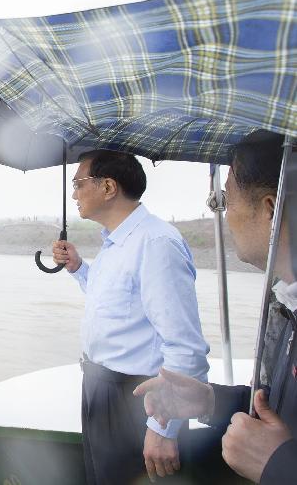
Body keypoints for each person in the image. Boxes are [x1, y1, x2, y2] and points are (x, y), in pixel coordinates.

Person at [133, 133, 296, 484]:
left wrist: (281, 464)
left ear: (271, 208)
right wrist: (210, 402)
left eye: (227, 199)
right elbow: (281, 411)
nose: (224, 215)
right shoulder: (285, 304)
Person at [52, 150, 210, 484]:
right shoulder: (115, 241)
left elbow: (185, 346)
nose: (74, 194)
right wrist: (79, 268)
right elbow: (113, 304)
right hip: (98, 388)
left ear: (108, 187)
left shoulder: (156, 243)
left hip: (135, 400)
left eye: (78, 183)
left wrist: (162, 428)